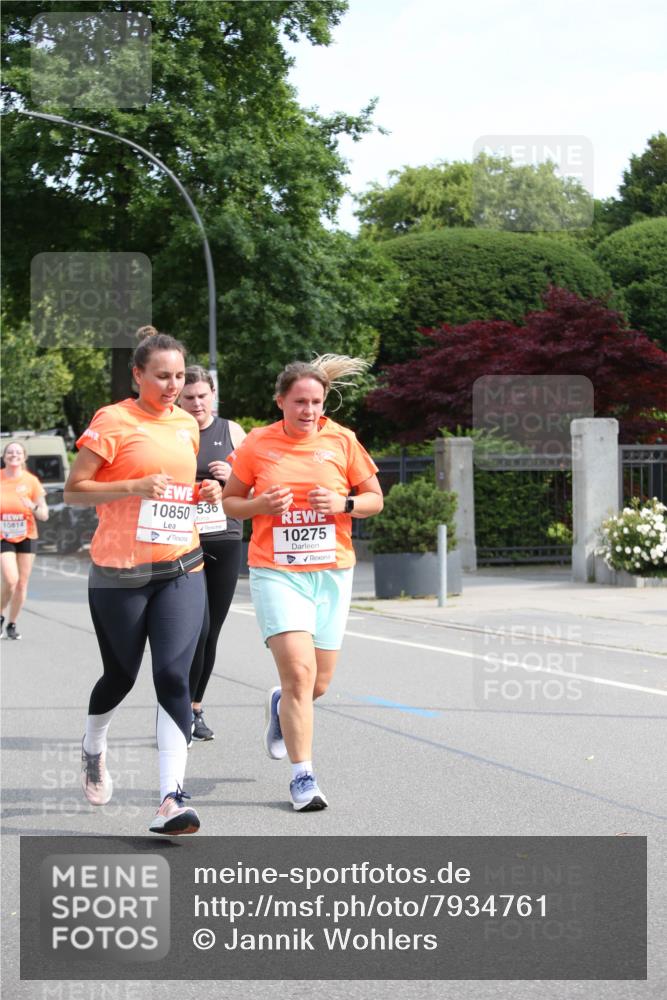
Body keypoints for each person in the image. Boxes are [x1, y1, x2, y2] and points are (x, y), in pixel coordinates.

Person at [64, 326, 221, 835]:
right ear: (137, 375)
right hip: (119, 571)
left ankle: (171, 798)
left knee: (174, 676)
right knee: (122, 676)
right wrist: (133, 484)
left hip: (182, 564)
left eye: (179, 375)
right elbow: (74, 491)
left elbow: (176, 488)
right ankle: (93, 746)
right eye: (162, 376)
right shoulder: (113, 420)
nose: (173, 386)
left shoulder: (185, 424)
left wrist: (202, 495)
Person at [222, 355, 383, 811]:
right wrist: (259, 508)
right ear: (281, 402)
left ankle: (280, 708)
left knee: (318, 684)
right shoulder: (257, 444)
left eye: (315, 402)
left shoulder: (342, 440)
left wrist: (342, 502)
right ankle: (302, 778)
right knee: (298, 674)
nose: (308, 410)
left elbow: (374, 499)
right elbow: (232, 502)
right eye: (299, 402)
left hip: (332, 571)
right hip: (277, 571)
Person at [178, 366, 246, 742]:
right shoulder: (171, 430)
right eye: (189, 398)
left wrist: (230, 472)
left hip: (224, 536)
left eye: (203, 396)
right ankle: (176, 706)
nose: (197, 404)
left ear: (213, 394)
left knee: (211, 631)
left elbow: (257, 477)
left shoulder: (231, 431)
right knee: (192, 628)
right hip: (181, 540)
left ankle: (194, 709)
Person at [1, 441, 49, 639]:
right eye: (10, 452)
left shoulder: (31, 481)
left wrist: (33, 506)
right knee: (11, 580)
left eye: (18, 452)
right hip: (3, 535)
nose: (14, 455)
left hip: (27, 535)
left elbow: (44, 514)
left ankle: (12, 623)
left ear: (24, 457)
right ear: (4, 457)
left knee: (22, 583)